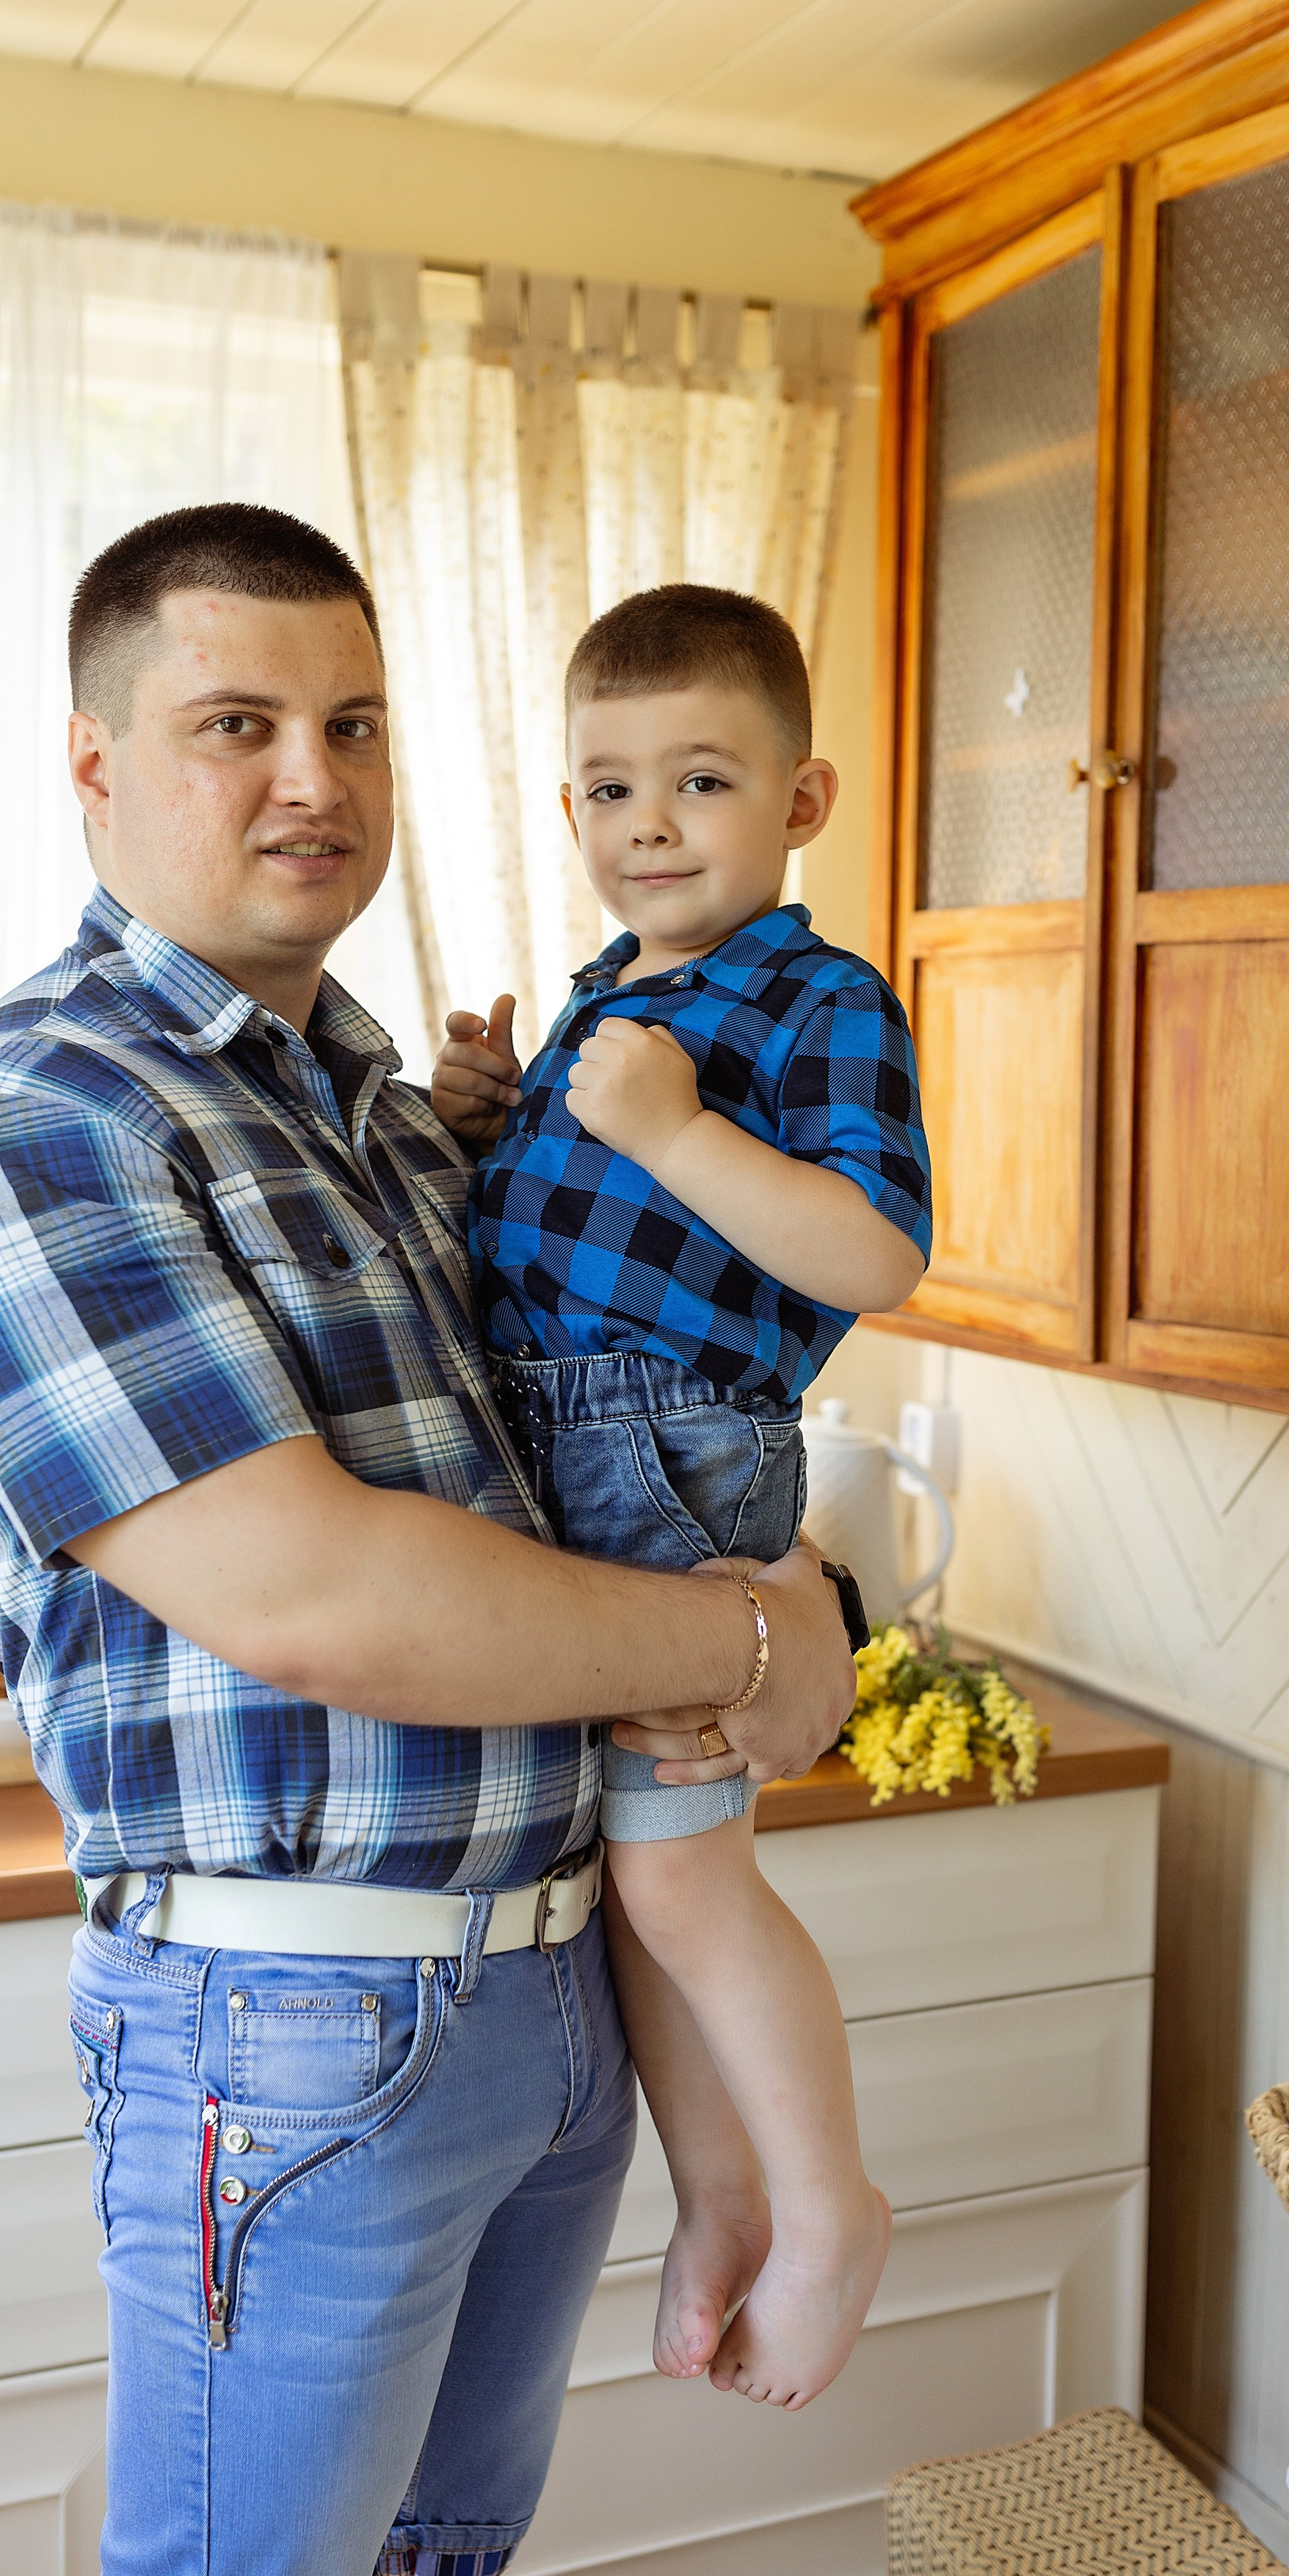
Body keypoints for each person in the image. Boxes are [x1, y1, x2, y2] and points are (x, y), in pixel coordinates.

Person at [0, 506, 856, 2576]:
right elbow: (325, 1601)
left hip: (545, 2002)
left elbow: (635, 1421)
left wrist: (800, 1594)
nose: (310, 776)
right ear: (98, 768)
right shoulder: (32, 1121)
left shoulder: (406, 1130)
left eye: (354, 722)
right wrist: (768, 1644)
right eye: (236, 725)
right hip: (291, 2034)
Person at [432, 583, 931, 2413]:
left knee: (682, 1879)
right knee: (635, 1887)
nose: (645, 823)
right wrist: (492, 1119)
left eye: (699, 781)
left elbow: (870, 1249)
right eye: (605, 788)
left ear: (799, 804)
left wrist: (666, 1130)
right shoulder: (603, 1000)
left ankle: (824, 2207)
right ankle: (721, 2200)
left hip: (671, 1443)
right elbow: (556, 1231)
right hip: (561, 1447)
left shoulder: (815, 995)